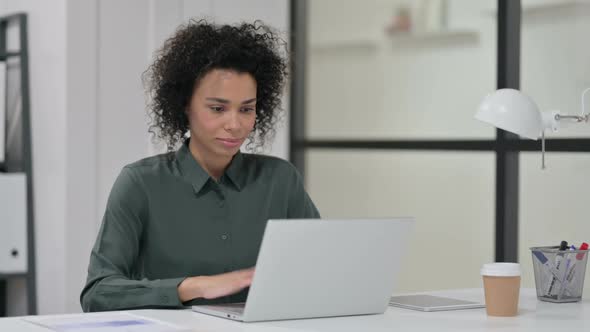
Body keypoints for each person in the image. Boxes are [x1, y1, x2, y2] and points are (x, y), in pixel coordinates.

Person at [80, 19, 320, 312]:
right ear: (185, 104)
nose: (234, 124)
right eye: (217, 108)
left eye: (246, 109)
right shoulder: (140, 183)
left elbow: (319, 270)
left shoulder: (281, 180)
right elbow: (98, 293)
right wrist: (191, 287)